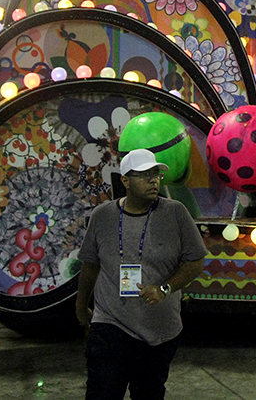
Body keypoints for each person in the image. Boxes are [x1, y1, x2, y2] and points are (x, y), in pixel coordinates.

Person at [76, 149, 207, 399]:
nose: (153, 180)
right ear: (125, 180)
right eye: (145, 175)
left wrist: (164, 288)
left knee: (149, 394)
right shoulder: (103, 216)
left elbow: (196, 260)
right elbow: (90, 265)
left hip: (159, 332)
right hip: (110, 325)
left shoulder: (175, 213)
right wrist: (81, 306)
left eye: (156, 174)